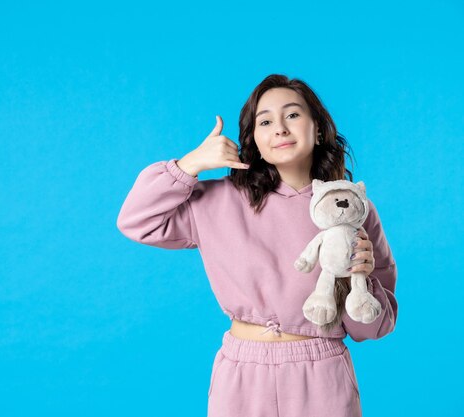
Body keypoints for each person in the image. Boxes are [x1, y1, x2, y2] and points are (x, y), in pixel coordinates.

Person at [116, 74, 398, 417]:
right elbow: (136, 220)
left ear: (318, 128)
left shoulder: (350, 209)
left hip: (321, 374)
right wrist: (190, 164)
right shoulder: (217, 201)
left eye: (292, 115)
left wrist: (362, 278)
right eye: (265, 121)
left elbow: (371, 329)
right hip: (242, 375)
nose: (279, 128)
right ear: (254, 139)